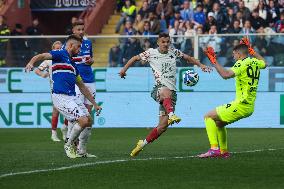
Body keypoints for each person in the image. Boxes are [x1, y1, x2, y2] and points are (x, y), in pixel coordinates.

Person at [119, 33, 211, 157]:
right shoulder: (151, 53)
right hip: (158, 89)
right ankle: (172, 115)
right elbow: (135, 58)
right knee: (164, 90)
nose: (166, 44)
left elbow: (188, 57)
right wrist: (124, 70)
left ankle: (142, 143)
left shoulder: (174, 52)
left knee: (162, 127)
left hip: (171, 95)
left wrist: (201, 65)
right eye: (163, 42)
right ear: (158, 42)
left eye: (168, 41)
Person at [25, 34, 102, 159]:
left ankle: (81, 151)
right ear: (71, 45)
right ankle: (68, 143)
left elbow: (82, 86)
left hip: (72, 97)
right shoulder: (60, 54)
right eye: (77, 47)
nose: (79, 50)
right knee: (82, 120)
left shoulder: (73, 65)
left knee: (89, 122)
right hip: (61, 97)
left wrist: (94, 104)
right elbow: (43, 56)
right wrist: (31, 62)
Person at [198, 37, 268, 158]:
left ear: (239, 54)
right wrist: (252, 51)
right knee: (219, 123)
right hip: (249, 106)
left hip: (241, 104)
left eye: (234, 54)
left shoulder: (241, 64)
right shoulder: (255, 62)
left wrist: (213, 61)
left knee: (208, 116)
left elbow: (225, 75)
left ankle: (214, 149)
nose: (233, 56)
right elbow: (265, 63)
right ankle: (224, 152)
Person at [67, 20, 97, 158]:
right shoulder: (69, 45)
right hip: (77, 82)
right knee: (77, 116)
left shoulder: (88, 43)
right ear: (73, 31)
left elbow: (90, 59)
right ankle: (70, 144)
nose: (81, 31)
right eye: (78, 29)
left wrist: (91, 61)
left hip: (90, 81)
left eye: (82, 29)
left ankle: (82, 150)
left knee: (89, 117)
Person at [34, 41, 68, 142]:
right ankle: (53, 133)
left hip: (67, 87)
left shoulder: (64, 58)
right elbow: (37, 70)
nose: (57, 50)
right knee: (56, 110)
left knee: (69, 110)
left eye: (59, 48)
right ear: (52, 49)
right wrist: (43, 75)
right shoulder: (48, 60)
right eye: (55, 49)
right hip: (55, 89)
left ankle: (65, 128)